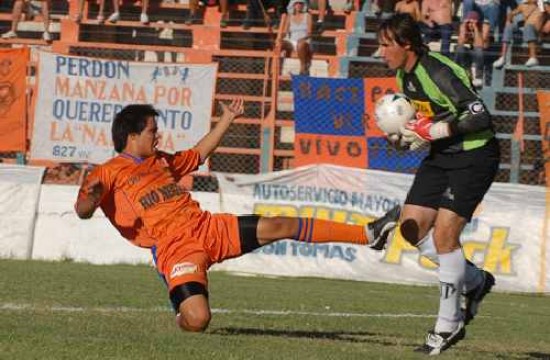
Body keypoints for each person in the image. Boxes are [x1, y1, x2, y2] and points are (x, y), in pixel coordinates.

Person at [74, 98, 401, 332]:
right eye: (151, 131)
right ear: (132, 136)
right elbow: (83, 211)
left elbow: (199, 153)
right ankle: (180, 310)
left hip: (209, 228)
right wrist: (90, 198)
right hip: (176, 249)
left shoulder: (161, 160)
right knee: (198, 321)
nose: (157, 136)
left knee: (279, 224)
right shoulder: (108, 172)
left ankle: (368, 234)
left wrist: (227, 119)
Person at [376, 13, 500, 355]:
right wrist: (404, 135)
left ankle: (448, 325)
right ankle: (475, 281)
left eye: (386, 46)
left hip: (475, 155)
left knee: (446, 236)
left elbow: (478, 115)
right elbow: (427, 122)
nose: (381, 52)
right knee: (411, 227)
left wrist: (436, 131)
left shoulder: (438, 70)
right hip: (442, 155)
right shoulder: (404, 74)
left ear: (406, 44)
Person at [493, 0, 545, 68]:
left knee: (528, 26)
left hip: (535, 30)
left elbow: (545, 13)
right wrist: (509, 19)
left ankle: (533, 57)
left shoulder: (541, 4)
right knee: (508, 27)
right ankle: (502, 57)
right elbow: (513, 12)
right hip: (524, 28)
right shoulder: (524, 5)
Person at [281, 0, 313, 75]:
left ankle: (303, 67)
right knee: (280, 44)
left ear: (303, 5)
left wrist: (303, 38)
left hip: (305, 40)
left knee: (300, 44)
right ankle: (276, 67)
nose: (298, 5)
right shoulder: (289, 16)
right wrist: (280, 38)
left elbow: (309, 33)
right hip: (291, 41)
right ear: (293, 5)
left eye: (300, 3)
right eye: (296, 3)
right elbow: (285, 32)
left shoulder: (308, 16)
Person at [455, 10, 486, 88]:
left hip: (478, 52)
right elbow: (460, 43)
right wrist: (463, 27)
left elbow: (479, 45)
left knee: (478, 50)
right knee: (460, 49)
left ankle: (478, 77)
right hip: (465, 52)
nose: (470, 24)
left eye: (472, 22)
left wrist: (475, 28)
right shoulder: (463, 27)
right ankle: (466, 74)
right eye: (469, 22)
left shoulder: (482, 27)